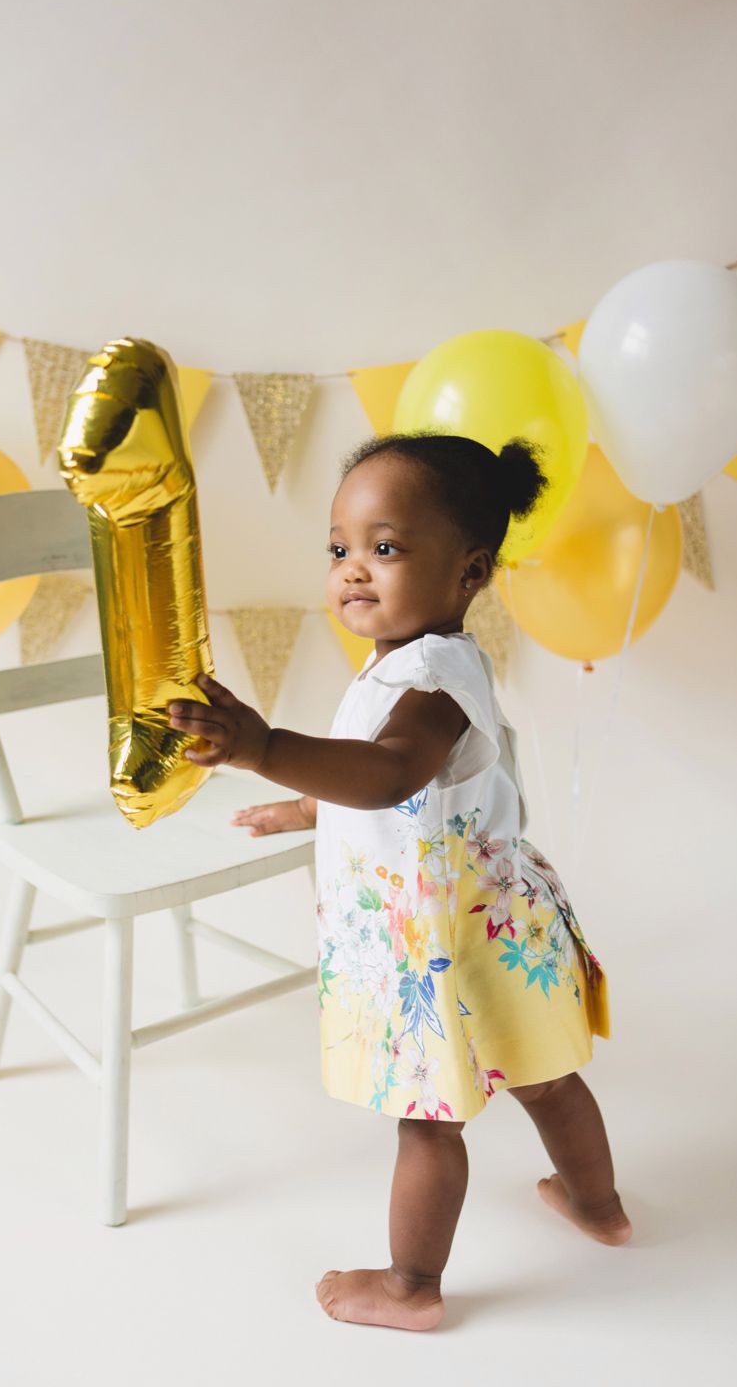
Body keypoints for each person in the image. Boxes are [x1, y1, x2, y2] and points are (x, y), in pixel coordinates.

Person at [167, 431, 631, 1332]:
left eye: (385, 548)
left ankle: (412, 1286)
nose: (352, 570)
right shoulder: (424, 663)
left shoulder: (431, 682)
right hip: (498, 918)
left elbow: (387, 774)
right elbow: (410, 790)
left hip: (436, 946)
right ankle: (598, 1207)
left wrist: (263, 751)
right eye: (339, 548)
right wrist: (310, 807)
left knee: (427, 1120)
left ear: (469, 572)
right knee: (546, 1079)